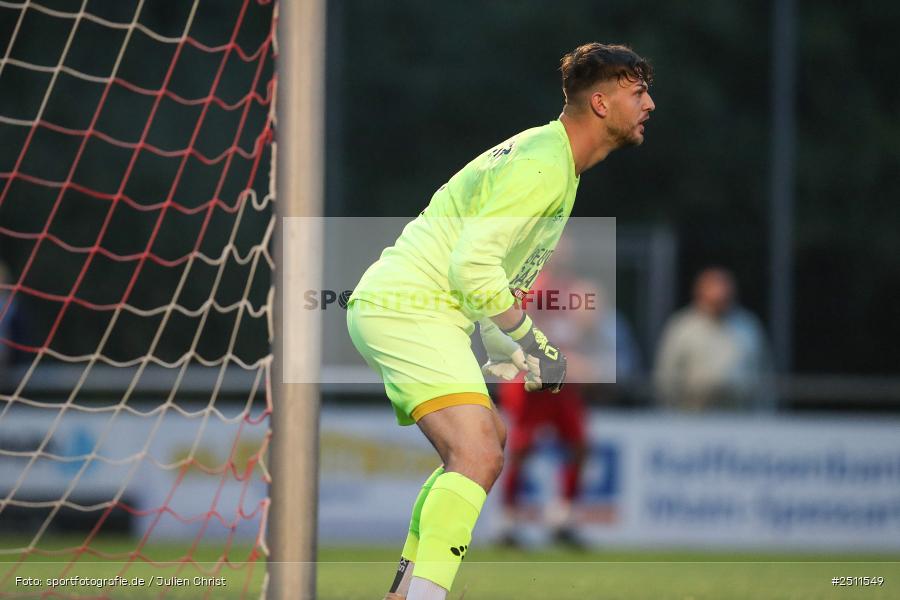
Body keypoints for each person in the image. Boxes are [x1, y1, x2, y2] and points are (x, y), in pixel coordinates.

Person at [346, 42, 655, 600]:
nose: (650, 103)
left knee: (487, 440)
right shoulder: (544, 164)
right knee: (478, 452)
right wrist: (532, 341)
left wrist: (511, 347)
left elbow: (495, 282)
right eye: (639, 92)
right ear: (603, 103)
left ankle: (405, 589)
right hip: (408, 308)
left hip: (417, 310)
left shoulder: (555, 163)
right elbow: (471, 266)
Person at [653, 267, 775, 411]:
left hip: (741, 417)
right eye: (715, 292)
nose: (720, 296)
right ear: (699, 293)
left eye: (724, 294)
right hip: (691, 418)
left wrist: (765, 415)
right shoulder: (682, 327)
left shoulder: (748, 326)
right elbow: (666, 375)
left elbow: (764, 373)